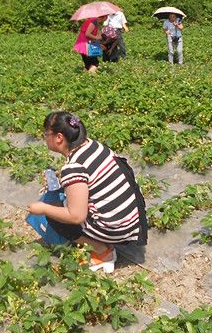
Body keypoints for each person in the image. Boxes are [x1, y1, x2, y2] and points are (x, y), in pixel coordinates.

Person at [27, 111, 147, 273]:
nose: (44, 137)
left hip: (119, 229)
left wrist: (42, 208)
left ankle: (102, 250)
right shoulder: (92, 145)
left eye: (46, 134)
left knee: (55, 215)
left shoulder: (74, 167)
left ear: (59, 138)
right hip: (134, 220)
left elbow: (76, 216)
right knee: (62, 200)